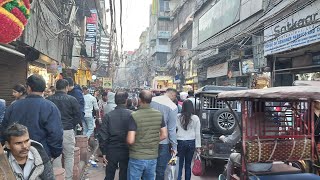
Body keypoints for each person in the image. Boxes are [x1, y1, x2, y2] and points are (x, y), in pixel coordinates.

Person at [1, 74, 63, 159]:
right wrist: (52, 153)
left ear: (28, 88)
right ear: (44, 89)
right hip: (41, 154)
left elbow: (4, 130)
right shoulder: (50, 107)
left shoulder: (14, 106)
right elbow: (56, 134)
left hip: (16, 154)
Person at [127, 90, 168, 180]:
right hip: (152, 157)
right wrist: (153, 140)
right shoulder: (159, 114)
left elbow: (130, 140)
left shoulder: (134, 115)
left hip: (136, 156)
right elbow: (164, 135)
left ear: (139, 100)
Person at [47, 79, 82, 180]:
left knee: (56, 155)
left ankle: (58, 177)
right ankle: (68, 177)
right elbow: (78, 116)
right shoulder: (72, 99)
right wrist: (71, 124)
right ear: (67, 87)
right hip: (67, 130)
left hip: (53, 132)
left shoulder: (49, 99)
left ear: (56, 87)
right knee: (69, 156)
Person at [98, 91, 132, 180]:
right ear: (126, 100)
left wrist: (104, 151)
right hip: (127, 149)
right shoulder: (131, 114)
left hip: (111, 149)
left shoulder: (108, 116)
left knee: (109, 174)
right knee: (124, 173)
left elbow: (103, 135)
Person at [150, 88, 178, 180]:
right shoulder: (173, 107)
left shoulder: (151, 100)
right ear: (173, 95)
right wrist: (174, 147)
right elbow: (171, 130)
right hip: (163, 142)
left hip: (148, 140)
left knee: (148, 168)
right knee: (160, 170)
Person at [176, 100, 201, 180]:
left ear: (183, 107)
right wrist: (198, 147)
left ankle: (178, 178)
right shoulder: (195, 118)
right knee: (188, 164)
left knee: (179, 165)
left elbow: (174, 130)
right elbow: (197, 133)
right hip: (191, 142)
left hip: (179, 141)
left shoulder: (177, 117)